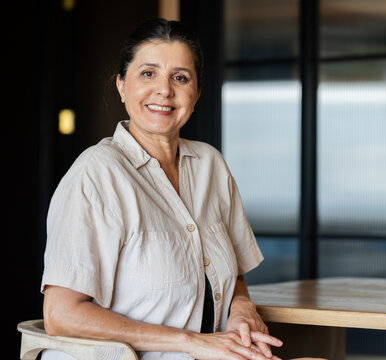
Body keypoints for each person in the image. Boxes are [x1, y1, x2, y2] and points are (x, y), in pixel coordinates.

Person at [40, 18, 284, 360]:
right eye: (148, 73)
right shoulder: (96, 173)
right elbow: (61, 315)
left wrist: (241, 307)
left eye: (180, 78)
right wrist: (191, 341)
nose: (165, 91)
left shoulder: (210, 165)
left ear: (196, 94)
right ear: (122, 85)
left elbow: (234, 273)